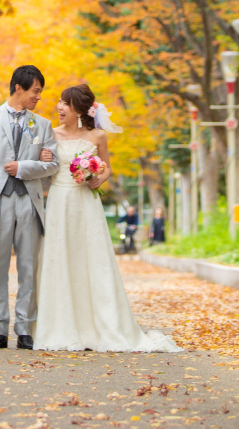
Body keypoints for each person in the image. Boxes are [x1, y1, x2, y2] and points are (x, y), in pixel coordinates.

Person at [32, 83, 181, 353]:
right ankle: (60, 326)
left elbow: (107, 168)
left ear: (78, 107)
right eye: (59, 102)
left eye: (65, 103)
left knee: (93, 260)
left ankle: (101, 325)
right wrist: (42, 156)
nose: (59, 107)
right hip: (59, 202)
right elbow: (44, 168)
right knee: (59, 257)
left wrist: (98, 178)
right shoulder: (50, 133)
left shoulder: (98, 136)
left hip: (87, 204)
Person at [0, 64, 59, 350]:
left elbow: (52, 164)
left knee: (28, 266)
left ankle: (25, 329)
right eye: (35, 91)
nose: (38, 97)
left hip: (30, 203)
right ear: (18, 88)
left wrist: (24, 166)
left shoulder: (43, 125)